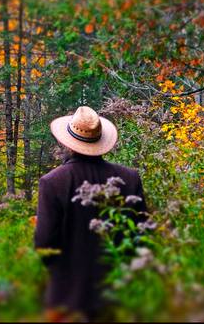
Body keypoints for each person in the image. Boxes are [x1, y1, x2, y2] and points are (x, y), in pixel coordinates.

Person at [34, 106, 147, 321]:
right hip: (118, 294)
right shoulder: (129, 178)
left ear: (67, 143)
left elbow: (44, 245)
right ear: (100, 140)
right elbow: (142, 236)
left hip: (67, 297)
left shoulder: (52, 182)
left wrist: (61, 271)